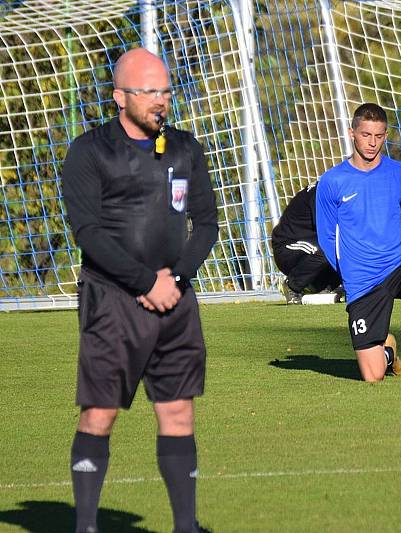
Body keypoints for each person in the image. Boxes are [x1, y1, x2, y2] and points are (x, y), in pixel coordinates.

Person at [61, 48, 218, 533]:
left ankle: (185, 525)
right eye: (149, 91)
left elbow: (207, 224)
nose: (161, 101)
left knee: (178, 410)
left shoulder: (185, 148)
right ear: (119, 96)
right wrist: (145, 282)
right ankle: (86, 525)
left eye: (165, 91)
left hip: (176, 302)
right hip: (112, 301)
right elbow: (87, 232)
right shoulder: (88, 152)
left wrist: (176, 278)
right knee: (101, 413)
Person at [316, 103, 401, 383]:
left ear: (386, 135)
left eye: (378, 136)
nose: (372, 142)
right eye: (366, 135)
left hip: (399, 265)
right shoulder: (332, 182)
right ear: (352, 133)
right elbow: (327, 237)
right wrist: (349, 273)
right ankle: (388, 352)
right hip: (363, 281)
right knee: (373, 375)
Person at [271, 182, 343, 304]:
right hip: (287, 248)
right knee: (330, 247)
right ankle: (292, 286)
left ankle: (326, 287)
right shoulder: (322, 193)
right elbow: (327, 230)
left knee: (346, 245)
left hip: (313, 246)